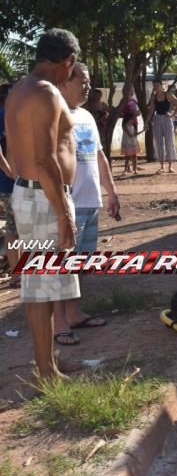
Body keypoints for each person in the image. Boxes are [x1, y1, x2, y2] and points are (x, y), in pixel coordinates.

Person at [4, 28, 82, 380]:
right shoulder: (46, 93)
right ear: (67, 62)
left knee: (45, 285)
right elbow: (47, 159)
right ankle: (45, 370)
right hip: (43, 197)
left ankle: (46, 362)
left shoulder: (20, 89)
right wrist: (65, 215)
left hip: (32, 193)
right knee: (40, 287)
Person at [51, 63, 121, 345]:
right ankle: (59, 324)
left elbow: (99, 157)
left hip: (90, 202)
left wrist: (111, 192)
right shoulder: (54, 114)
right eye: (83, 81)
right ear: (65, 82)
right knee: (62, 266)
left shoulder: (87, 116)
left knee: (80, 264)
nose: (88, 86)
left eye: (89, 81)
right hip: (69, 203)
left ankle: (75, 314)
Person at [0, 84, 20, 287]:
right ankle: (16, 274)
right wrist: (9, 171)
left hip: (21, 181)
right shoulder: (3, 115)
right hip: (10, 183)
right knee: (14, 227)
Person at [145, 80, 177, 174]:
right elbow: (151, 110)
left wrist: (172, 115)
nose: (156, 88)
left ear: (161, 86)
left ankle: (170, 166)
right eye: (154, 86)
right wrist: (146, 122)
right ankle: (161, 166)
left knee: (169, 142)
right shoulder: (154, 97)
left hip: (167, 119)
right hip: (157, 119)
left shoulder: (167, 95)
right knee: (159, 143)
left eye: (157, 86)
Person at [121, 100, 144, 174]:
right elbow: (131, 135)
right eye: (132, 119)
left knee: (134, 155)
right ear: (129, 119)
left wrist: (142, 131)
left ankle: (135, 169)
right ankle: (126, 169)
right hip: (128, 142)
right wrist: (140, 132)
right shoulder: (125, 126)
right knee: (127, 157)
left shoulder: (132, 126)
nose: (133, 120)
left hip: (132, 142)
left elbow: (134, 134)